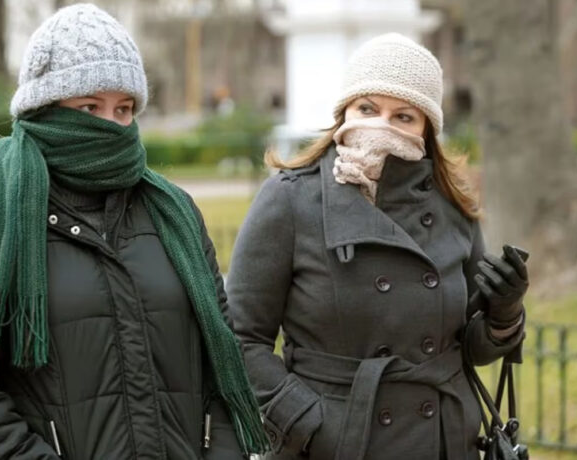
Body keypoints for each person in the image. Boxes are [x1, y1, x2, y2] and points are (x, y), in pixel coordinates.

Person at [0, 4, 268, 459]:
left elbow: (222, 357)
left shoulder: (173, 211)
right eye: (89, 106)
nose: (111, 125)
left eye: (124, 108)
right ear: (45, 109)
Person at [226, 33, 529, 460]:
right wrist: (308, 422)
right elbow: (240, 339)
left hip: (441, 442)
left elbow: (472, 348)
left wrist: (505, 313)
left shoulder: (452, 207)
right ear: (344, 112)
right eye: (368, 109)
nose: (381, 126)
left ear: (426, 127)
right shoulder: (290, 200)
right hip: (338, 444)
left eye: (403, 116)